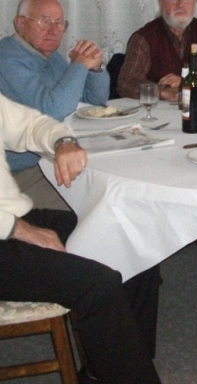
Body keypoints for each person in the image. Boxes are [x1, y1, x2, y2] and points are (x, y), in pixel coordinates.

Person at [0, 92, 162, 384]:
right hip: (8, 230)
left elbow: (30, 125)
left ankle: (111, 368)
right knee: (97, 285)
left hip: (14, 220)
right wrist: (19, 229)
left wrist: (63, 142)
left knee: (132, 236)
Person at [0, 0, 109, 210]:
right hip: (20, 174)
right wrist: (78, 65)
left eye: (60, 23)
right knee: (96, 202)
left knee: (106, 191)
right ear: (20, 23)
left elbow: (94, 102)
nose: (54, 30)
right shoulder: (8, 58)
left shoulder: (49, 56)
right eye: (45, 21)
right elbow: (51, 111)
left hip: (53, 157)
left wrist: (95, 68)